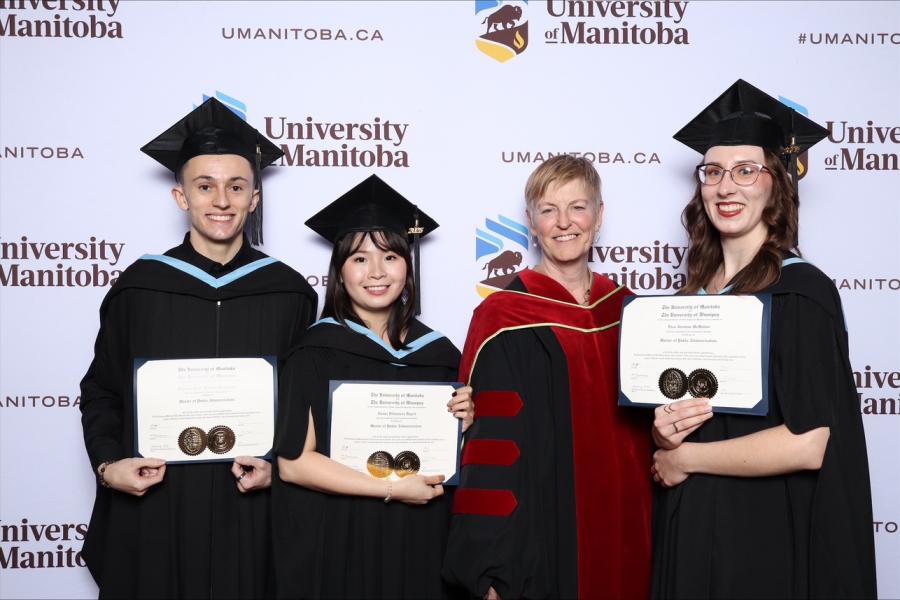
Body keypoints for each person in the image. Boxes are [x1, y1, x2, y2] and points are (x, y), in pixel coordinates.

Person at [79, 98, 318, 598]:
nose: (221, 201)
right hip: (158, 505)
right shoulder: (140, 288)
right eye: (205, 186)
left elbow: (308, 405)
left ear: (255, 198)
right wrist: (108, 465)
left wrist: (279, 469)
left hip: (251, 510)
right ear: (181, 197)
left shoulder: (289, 293)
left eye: (237, 187)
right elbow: (102, 390)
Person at [651, 79, 877, 598]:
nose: (725, 187)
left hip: (762, 534)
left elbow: (809, 443)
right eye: (713, 172)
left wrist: (686, 459)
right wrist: (664, 436)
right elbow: (685, 420)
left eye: (746, 170)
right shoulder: (689, 300)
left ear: (776, 183)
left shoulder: (800, 292)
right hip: (692, 527)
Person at [443, 155, 652, 599]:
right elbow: (489, 449)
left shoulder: (630, 311)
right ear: (531, 222)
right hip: (542, 539)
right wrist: (490, 566)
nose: (564, 223)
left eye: (578, 207)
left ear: (599, 215)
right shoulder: (502, 317)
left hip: (631, 526)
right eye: (548, 210)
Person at [272, 174, 474, 599]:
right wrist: (391, 488)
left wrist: (465, 422)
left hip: (422, 539)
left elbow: (454, 460)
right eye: (360, 259)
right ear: (340, 271)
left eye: (391, 256)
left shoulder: (440, 355)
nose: (377, 272)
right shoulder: (314, 352)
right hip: (340, 540)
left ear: (408, 266)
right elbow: (293, 464)